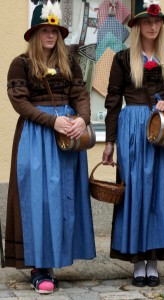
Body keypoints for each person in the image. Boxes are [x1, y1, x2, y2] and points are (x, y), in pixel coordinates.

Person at [5, 0, 96, 294]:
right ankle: (39, 266)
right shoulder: (21, 63)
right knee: (39, 200)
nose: (50, 35)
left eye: (54, 30)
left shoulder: (69, 61)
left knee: (62, 198)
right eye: (44, 30)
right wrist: (51, 121)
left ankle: (55, 259)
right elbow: (21, 103)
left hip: (67, 138)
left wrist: (82, 119)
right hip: (37, 137)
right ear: (34, 33)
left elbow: (80, 93)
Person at [102, 0, 164, 287]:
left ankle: (153, 261)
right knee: (135, 192)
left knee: (160, 194)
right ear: (138, 25)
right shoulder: (122, 59)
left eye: (157, 22)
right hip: (133, 130)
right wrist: (110, 142)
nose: (153, 26)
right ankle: (137, 261)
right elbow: (113, 100)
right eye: (147, 21)